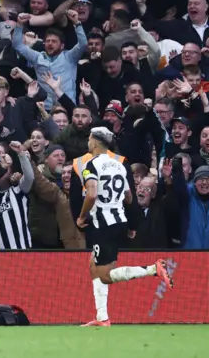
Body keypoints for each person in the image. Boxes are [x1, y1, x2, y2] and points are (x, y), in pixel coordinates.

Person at [77, 127, 174, 327]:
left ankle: (152, 269)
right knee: (93, 266)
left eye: (89, 139)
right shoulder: (119, 165)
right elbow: (129, 198)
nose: (88, 142)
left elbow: (92, 194)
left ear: (94, 142)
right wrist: (130, 223)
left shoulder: (90, 165)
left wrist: (81, 217)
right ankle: (102, 317)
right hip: (118, 220)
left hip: (102, 224)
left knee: (105, 274)